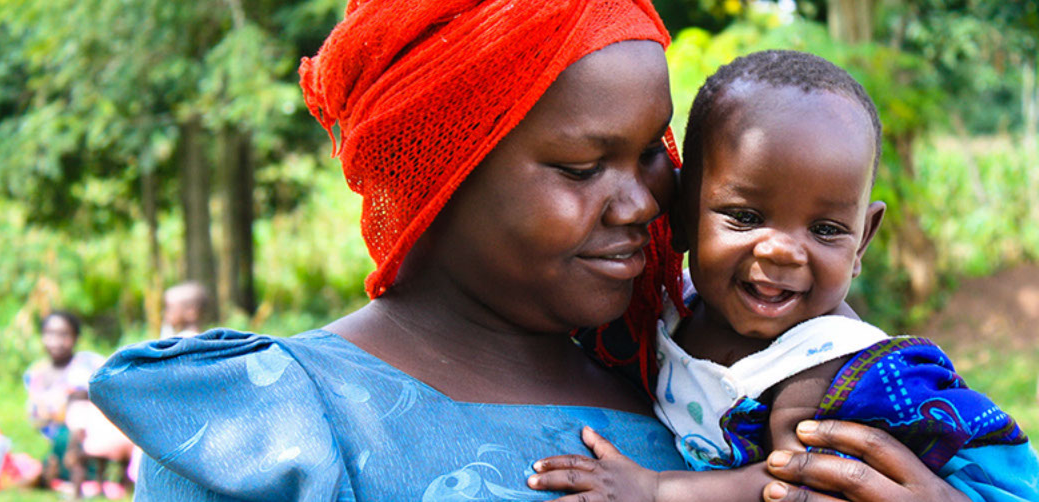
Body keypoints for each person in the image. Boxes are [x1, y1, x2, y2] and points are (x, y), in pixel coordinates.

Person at [90, 2, 991, 500]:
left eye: (650, 151)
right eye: (580, 164)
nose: (644, 199)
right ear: (445, 173)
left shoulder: (700, 395)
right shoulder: (276, 426)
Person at [528, 50, 1039, 501]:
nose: (782, 252)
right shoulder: (667, 308)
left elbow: (791, 482)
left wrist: (657, 490)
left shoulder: (825, 366)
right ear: (681, 213)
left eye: (825, 229)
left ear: (861, 240)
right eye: (746, 217)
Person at [22, 311, 114, 493]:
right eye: (50, 334)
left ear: (75, 337)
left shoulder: (89, 364)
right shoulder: (35, 374)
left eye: (64, 334)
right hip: (55, 440)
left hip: (89, 434)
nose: (56, 341)